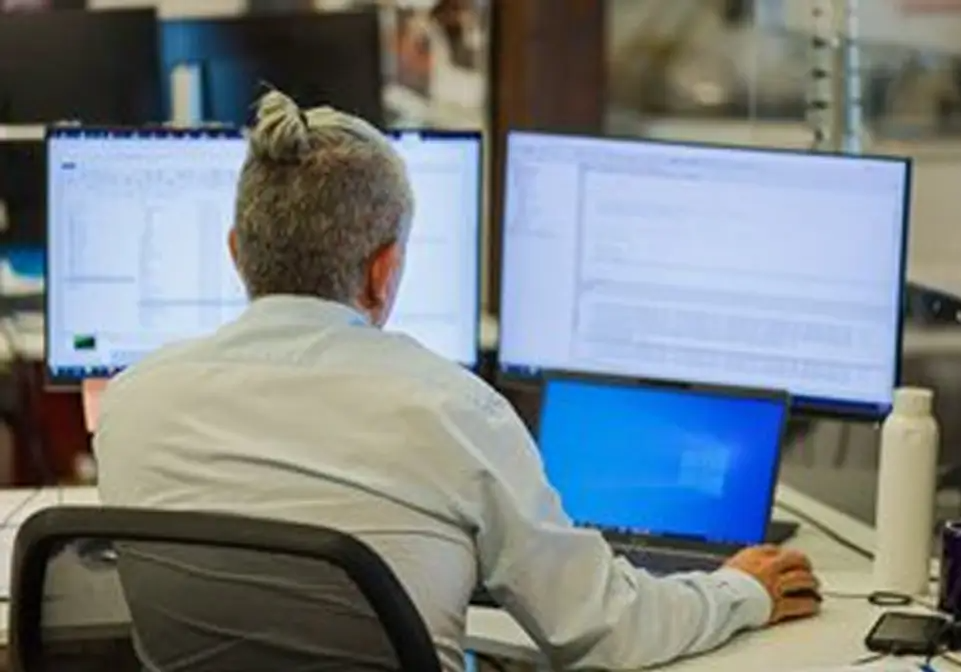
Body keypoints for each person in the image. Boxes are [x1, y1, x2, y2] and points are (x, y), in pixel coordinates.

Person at [94, 89, 820, 672]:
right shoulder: (453, 409)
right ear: (383, 270)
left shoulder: (131, 403)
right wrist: (739, 590)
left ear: (235, 253)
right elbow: (603, 631)